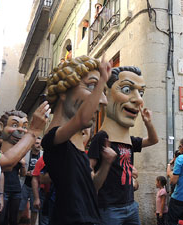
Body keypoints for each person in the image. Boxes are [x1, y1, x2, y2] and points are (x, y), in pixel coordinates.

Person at [41, 54, 116, 225]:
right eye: (91, 86)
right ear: (63, 91)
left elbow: (93, 186)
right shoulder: (52, 137)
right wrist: (103, 79)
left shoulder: (77, 144)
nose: (103, 101)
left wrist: (106, 163)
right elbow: (82, 119)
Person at [88, 66, 159, 225]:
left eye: (141, 93)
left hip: (130, 205)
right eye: (127, 89)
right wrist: (105, 164)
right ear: (106, 93)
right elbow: (88, 171)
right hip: (108, 208)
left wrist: (148, 123)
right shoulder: (102, 137)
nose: (139, 99)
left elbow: (153, 140)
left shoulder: (129, 141)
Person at [0, 105, 49, 225]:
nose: (21, 130)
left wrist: (23, 165)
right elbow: (7, 162)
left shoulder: (22, 154)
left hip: (16, 189)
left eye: (24, 127)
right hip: (3, 192)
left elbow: (16, 168)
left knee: (13, 219)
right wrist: (33, 131)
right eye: (15, 125)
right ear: (1, 126)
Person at [18, 137, 42, 225]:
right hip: (25, 184)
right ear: (32, 144)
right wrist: (27, 173)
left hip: (37, 186)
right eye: (37, 143)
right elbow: (20, 171)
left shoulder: (43, 155)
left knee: (35, 209)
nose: (39, 145)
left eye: (40, 143)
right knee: (20, 207)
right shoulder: (26, 154)